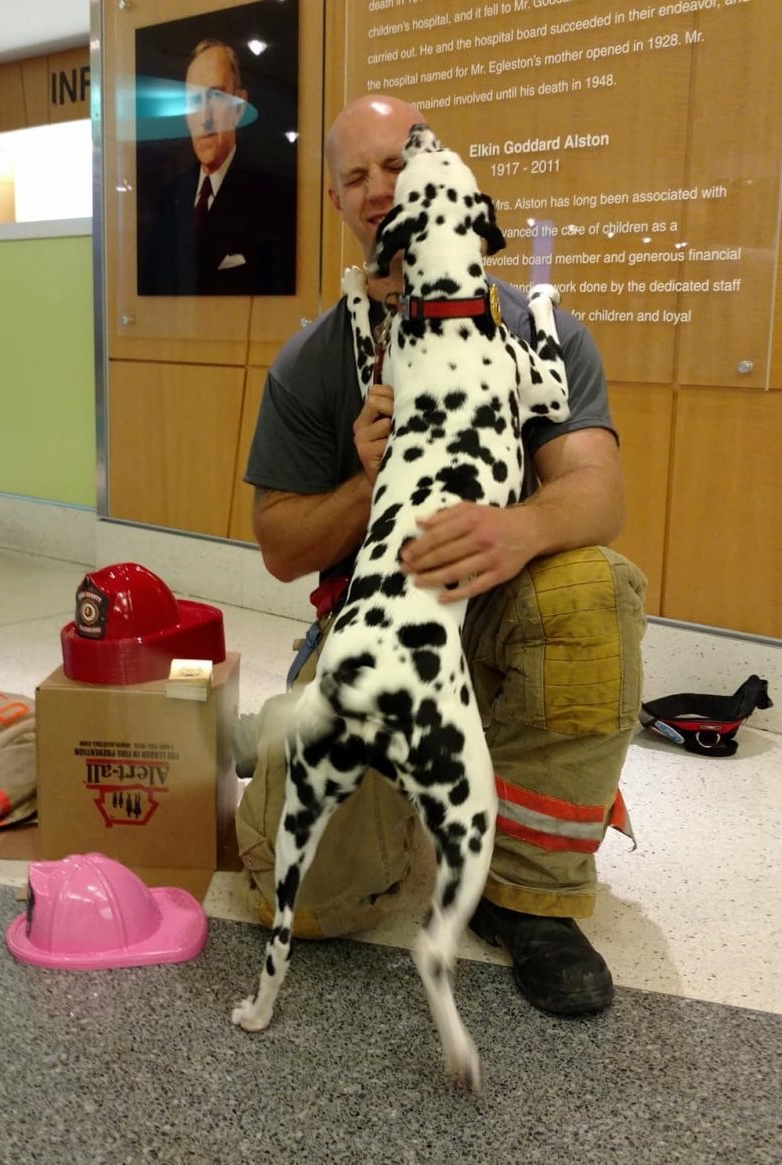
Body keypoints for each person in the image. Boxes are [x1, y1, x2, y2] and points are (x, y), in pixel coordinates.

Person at [236, 95, 647, 1016]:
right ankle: (282, 733)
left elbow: (599, 492)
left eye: (395, 165)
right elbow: (277, 546)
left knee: (595, 588)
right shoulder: (312, 361)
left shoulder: (534, 331)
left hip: (500, 595)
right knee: (315, 901)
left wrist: (520, 529)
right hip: (378, 620)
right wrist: (365, 478)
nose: (378, 189)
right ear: (339, 202)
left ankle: (532, 895)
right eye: (355, 176)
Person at [139, 38, 296, 297]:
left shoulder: (273, 197)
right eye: (193, 102)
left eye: (215, 96)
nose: (205, 118)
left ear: (240, 107)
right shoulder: (169, 200)